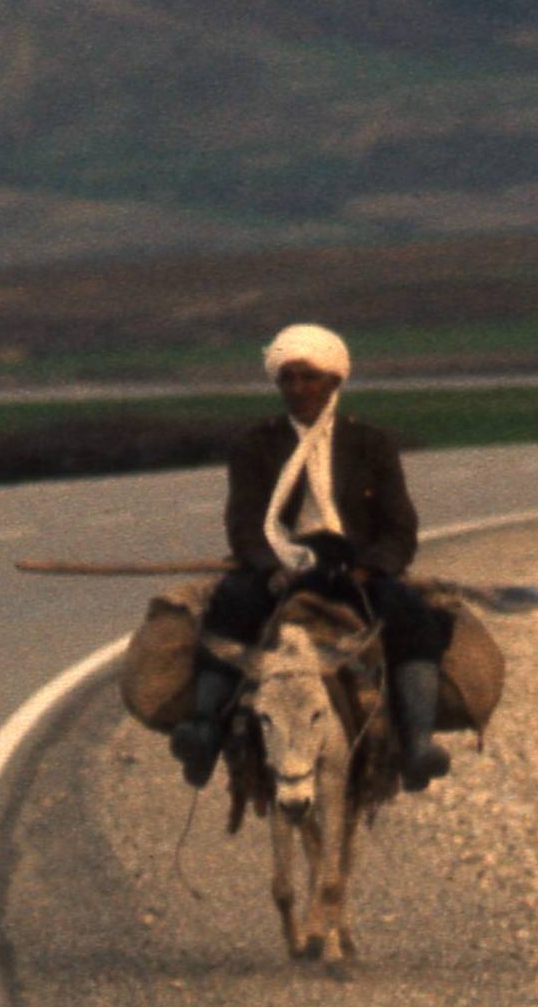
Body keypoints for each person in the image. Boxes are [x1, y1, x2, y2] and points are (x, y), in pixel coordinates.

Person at [169, 324, 454, 791]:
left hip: (353, 568)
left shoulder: (371, 443)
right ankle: (204, 731)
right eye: (288, 378)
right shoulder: (255, 444)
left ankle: (418, 744)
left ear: (334, 381)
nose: (298, 389)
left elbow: (400, 527)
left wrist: (372, 567)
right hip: (280, 565)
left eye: (309, 377)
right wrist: (269, 567)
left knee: (413, 614)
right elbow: (243, 522)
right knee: (229, 607)